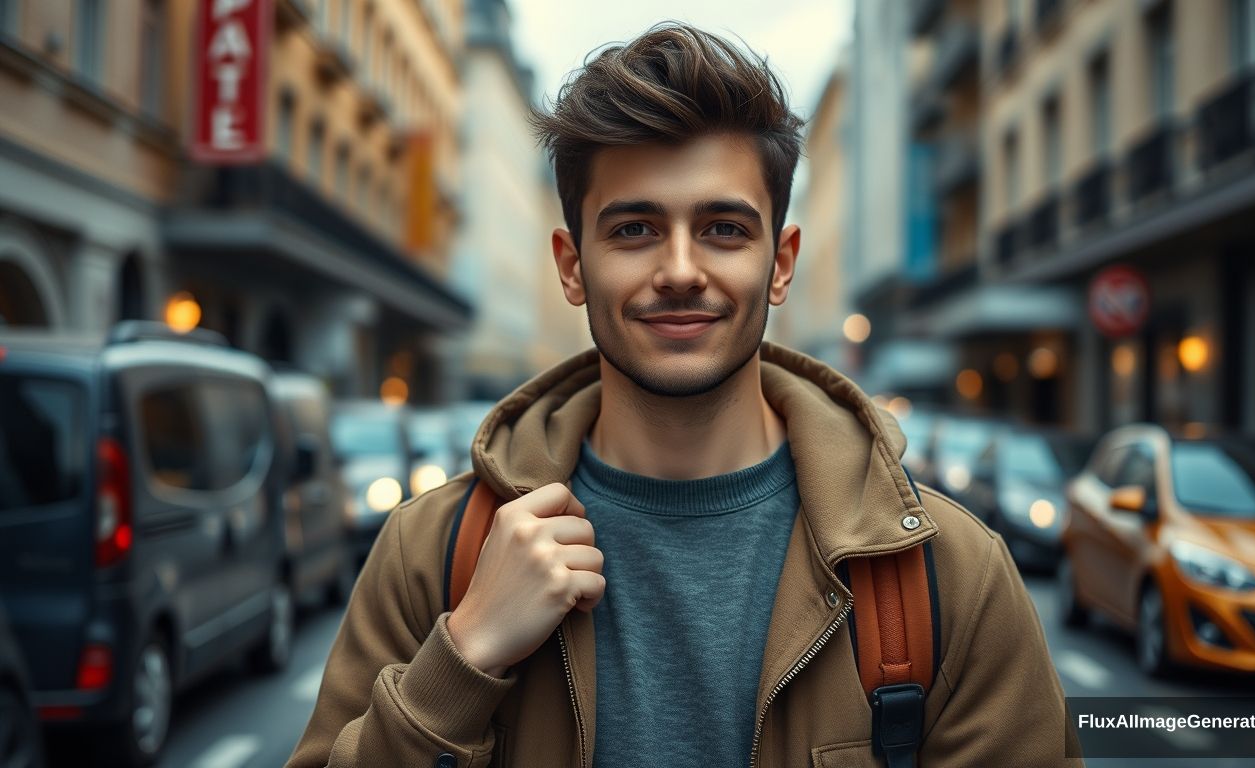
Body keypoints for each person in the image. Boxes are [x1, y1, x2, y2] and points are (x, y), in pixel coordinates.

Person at [287, 22, 1080, 768]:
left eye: (724, 229)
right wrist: (463, 659)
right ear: (572, 265)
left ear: (780, 261)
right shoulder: (435, 553)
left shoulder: (949, 573)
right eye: (633, 229)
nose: (678, 270)